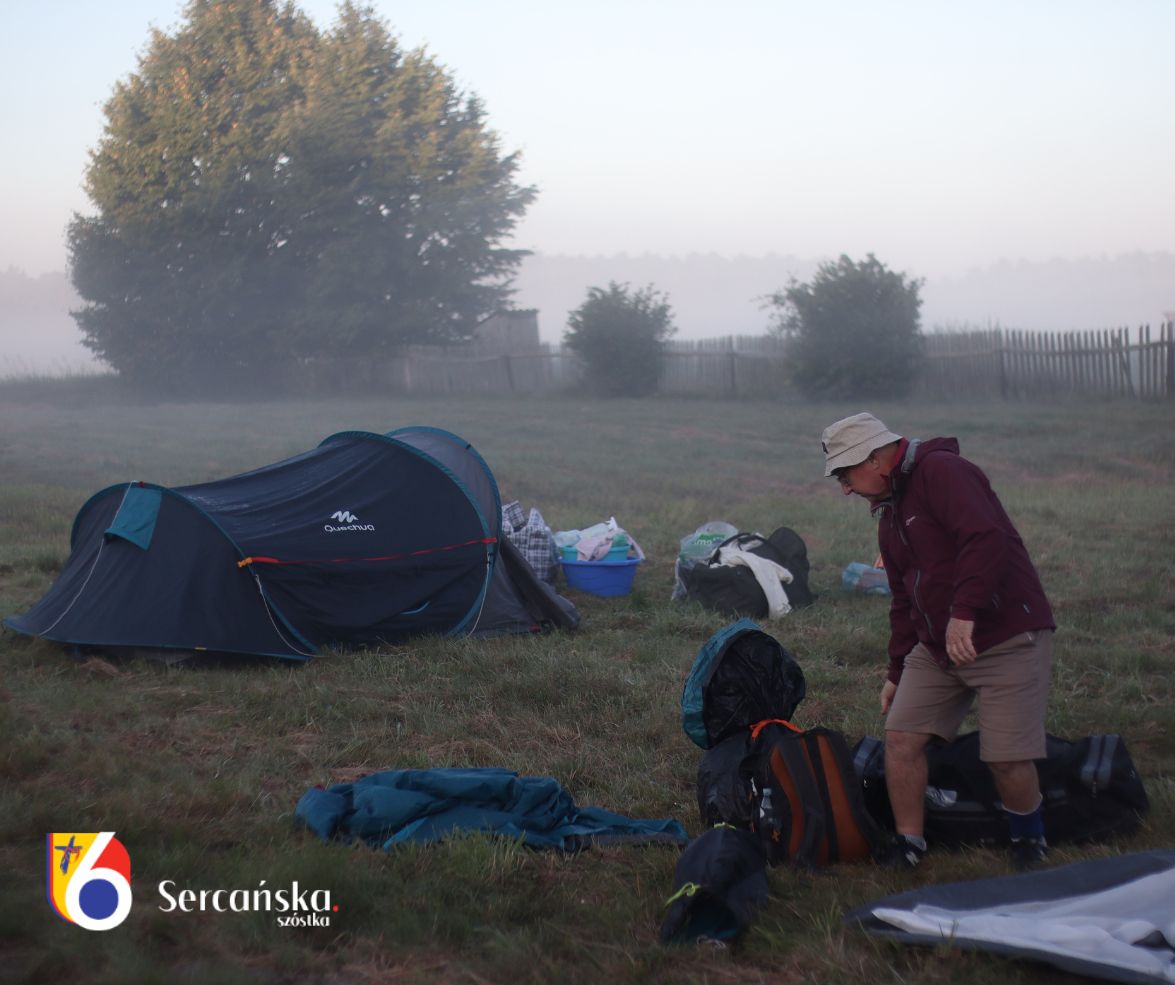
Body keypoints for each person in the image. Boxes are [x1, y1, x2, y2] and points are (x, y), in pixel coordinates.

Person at [821, 412, 1055, 870]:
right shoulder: (890, 516)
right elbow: (903, 599)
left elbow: (984, 539)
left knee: (1006, 758)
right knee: (900, 739)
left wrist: (964, 613)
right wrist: (896, 672)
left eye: (845, 475)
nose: (845, 489)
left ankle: (1029, 839)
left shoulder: (943, 472)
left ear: (874, 459)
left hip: (1006, 633)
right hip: (938, 646)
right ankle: (910, 843)